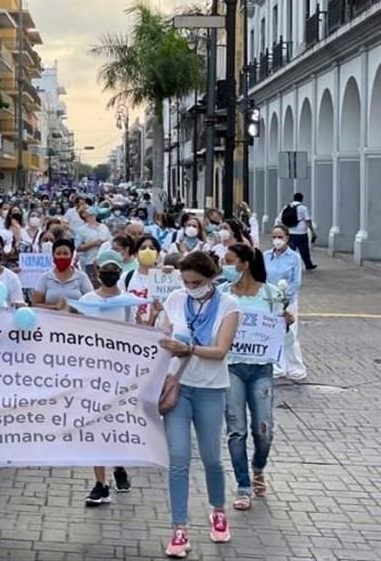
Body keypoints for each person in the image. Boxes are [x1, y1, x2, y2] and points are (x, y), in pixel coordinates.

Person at [157, 251, 241, 558]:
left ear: (211, 278)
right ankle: (179, 528)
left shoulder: (229, 305)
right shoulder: (176, 299)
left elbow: (220, 350)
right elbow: (162, 334)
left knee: (211, 458)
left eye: (197, 282)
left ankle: (218, 510)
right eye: (185, 281)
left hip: (210, 388)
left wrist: (188, 348)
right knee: (178, 458)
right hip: (178, 387)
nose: (190, 286)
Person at [220, 243, 292, 512]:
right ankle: (243, 485)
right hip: (231, 367)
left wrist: (287, 322)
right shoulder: (222, 294)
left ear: (244, 264)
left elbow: (280, 336)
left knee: (264, 430)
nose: (225, 266)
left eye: (229, 261)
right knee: (236, 430)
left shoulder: (271, 294)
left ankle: (258, 466)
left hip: (261, 369)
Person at [76, 250, 133, 505]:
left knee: (115, 426)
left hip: (119, 373)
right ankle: (100, 483)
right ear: (97, 271)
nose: (109, 274)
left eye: (114, 269)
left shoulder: (128, 301)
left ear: (119, 272)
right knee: (95, 425)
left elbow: (135, 334)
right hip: (92, 371)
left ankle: (119, 465)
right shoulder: (87, 300)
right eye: (105, 269)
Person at [262, 225, 306, 380]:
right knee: (273, 333)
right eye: (274, 236)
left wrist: (284, 297)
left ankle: (295, 367)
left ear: (287, 238)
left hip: (288, 301)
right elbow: (262, 278)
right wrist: (270, 295)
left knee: (290, 333)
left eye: (280, 236)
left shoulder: (294, 257)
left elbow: (296, 281)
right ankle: (277, 366)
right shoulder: (266, 256)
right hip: (270, 300)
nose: (277, 240)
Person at [32, 238, 92, 311]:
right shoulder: (45, 277)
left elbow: (91, 303)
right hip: (50, 320)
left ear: (72, 255)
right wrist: (55, 307)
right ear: (53, 256)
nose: (62, 256)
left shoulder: (82, 277)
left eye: (65, 253)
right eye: (58, 253)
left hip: (77, 320)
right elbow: (35, 304)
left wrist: (73, 308)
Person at [74, 206, 111, 286]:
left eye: (93, 214)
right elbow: (78, 247)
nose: (91, 216)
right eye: (89, 215)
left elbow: (110, 242)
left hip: (105, 262)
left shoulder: (104, 227)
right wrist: (93, 243)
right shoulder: (82, 230)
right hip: (90, 261)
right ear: (84, 216)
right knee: (93, 285)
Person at [279, 192, 317, 270]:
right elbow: (308, 220)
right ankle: (308, 264)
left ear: (294, 198)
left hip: (290, 231)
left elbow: (281, 218)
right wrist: (312, 231)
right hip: (301, 232)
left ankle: (288, 265)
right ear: (301, 199)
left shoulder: (287, 206)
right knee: (304, 250)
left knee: (290, 249)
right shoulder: (303, 208)